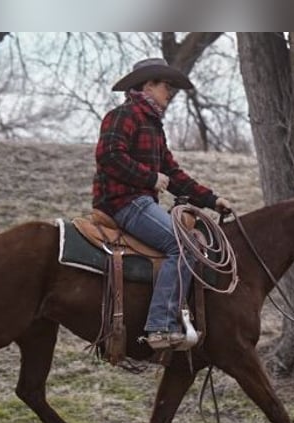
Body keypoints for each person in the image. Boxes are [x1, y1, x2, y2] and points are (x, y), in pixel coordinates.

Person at [92, 57, 232, 350]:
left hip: (138, 201)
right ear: (148, 85)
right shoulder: (123, 115)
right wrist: (150, 179)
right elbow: (109, 156)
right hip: (123, 203)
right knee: (183, 246)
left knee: (185, 242)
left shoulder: (153, 125)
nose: (169, 92)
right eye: (165, 86)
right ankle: (160, 326)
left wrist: (211, 199)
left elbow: (173, 174)